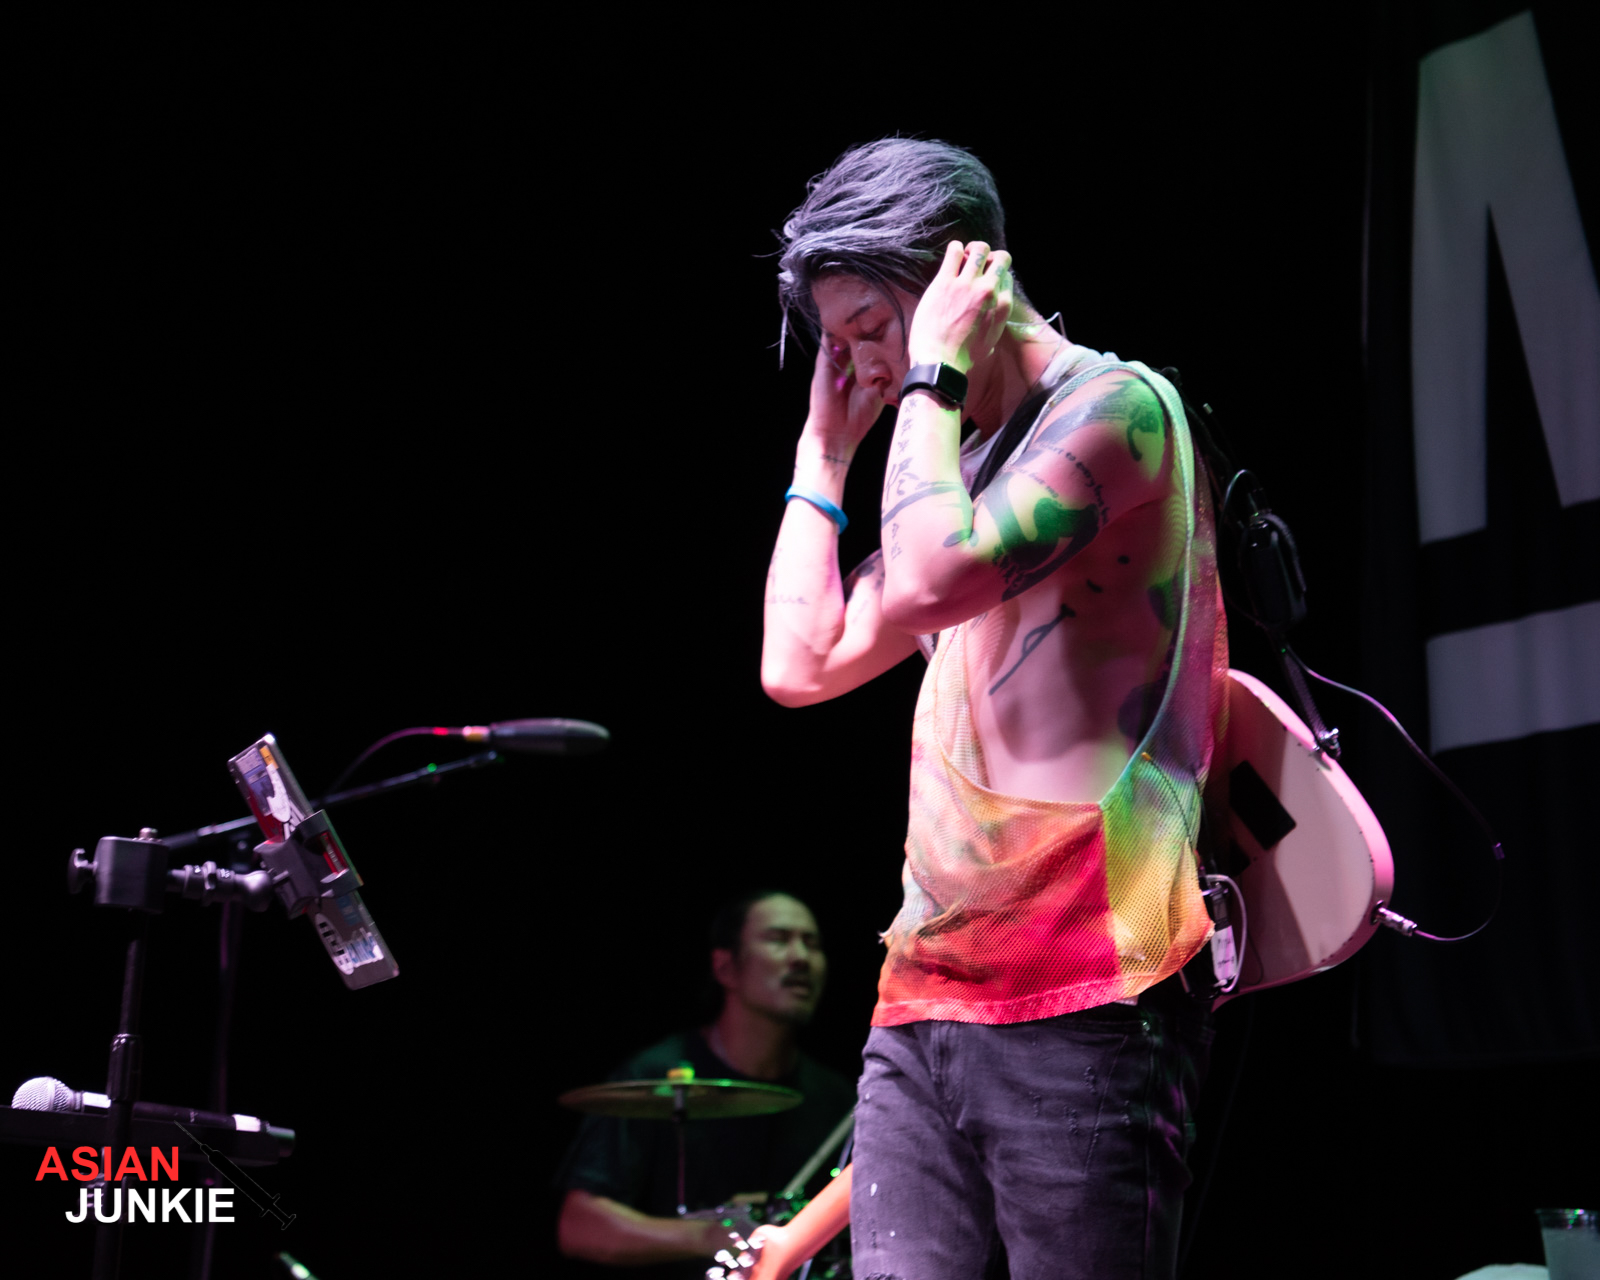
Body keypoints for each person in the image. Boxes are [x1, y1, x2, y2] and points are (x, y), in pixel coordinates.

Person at [754, 138, 1228, 1280]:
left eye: (871, 326)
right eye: (839, 345)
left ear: (965, 275)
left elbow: (930, 581)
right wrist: (824, 450)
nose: (863, 364)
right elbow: (798, 662)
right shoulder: (948, 470)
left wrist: (929, 377)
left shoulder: (1119, 408)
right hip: (921, 1011)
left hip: (1086, 997)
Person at [554, 891, 856, 1278]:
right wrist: (709, 1235)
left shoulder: (835, 1098)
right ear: (725, 967)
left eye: (812, 944)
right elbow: (578, 1225)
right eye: (778, 940)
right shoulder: (655, 1074)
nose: (801, 957)